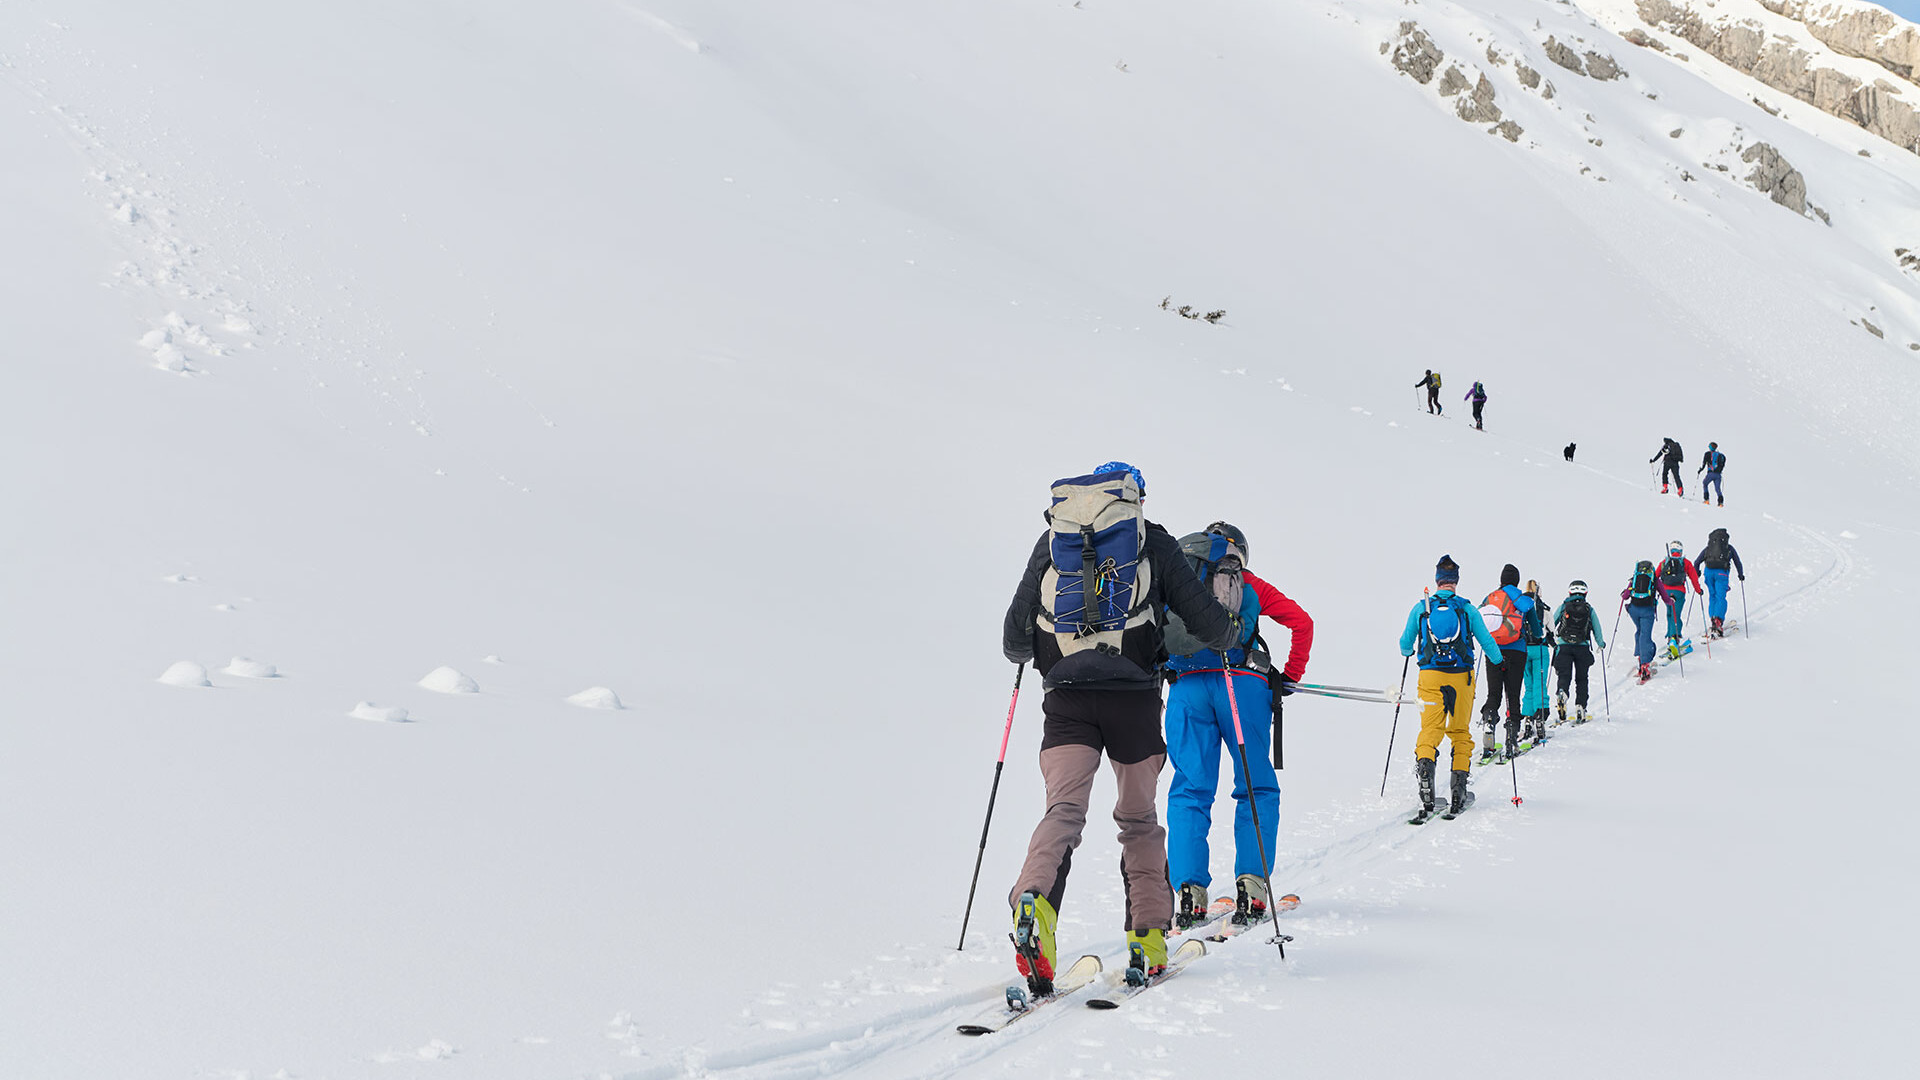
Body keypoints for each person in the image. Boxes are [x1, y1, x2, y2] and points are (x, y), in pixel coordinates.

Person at [1001, 461, 1236, 994]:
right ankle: (1149, 939)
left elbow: (1015, 639)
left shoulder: (1052, 542)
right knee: (1138, 820)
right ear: (1137, 500)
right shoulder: (1152, 542)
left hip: (1064, 699)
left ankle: (1033, 903)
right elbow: (1212, 627)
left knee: (1062, 811)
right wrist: (1225, 631)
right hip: (1132, 700)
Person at [1161, 523, 1313, 932]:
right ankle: (1252, 886)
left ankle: (1189, 894)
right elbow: (1302, 622)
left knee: (1190, 789)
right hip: (1241, 685)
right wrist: (1291, 675)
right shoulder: (1250, 584)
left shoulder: (1177, 578)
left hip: (1185, 689)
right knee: (1255, 787)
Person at [1398, 556, 1504, 819]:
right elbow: (1486, 641)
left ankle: (1425, 768)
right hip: (1461, 677)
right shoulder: (1466, 609)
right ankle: (1458, 791)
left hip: (1430, 676)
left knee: (1430, 729)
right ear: (1456, 581)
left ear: (1437, 580)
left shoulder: (1421, 608)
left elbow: (1404, 644)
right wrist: (1499, 661)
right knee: (1459, 731)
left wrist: (1411, 650)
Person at [1476, 563, 1531, 763]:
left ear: (1501, 579)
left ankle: (1489, 723)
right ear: (1516, 580)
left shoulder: (1490, 598)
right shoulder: (1522, 598)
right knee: (1513, 694)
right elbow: (1534, 625)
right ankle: (1511, 739)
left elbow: (1478, 619)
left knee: (1494, 693)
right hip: (1517, 651)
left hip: (1493, 650)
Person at [1551, 580, 1604, 723]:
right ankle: (1581, 706)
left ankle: (1562, 693)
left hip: (1564, 646)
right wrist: (1601, 643)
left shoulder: (1563, 606)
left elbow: (1552, 622)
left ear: (1570, 592)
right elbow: (1596, 628)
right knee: (1582, 678)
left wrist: (1549, 639)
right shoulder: (1589, 609)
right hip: (1582, 647)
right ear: (1585, 593)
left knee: (1564, 675)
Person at [1518, 579, 1554, 745]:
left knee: (1529, 685)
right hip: (1540, 649)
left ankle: (1527, 718)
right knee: (1540, 684)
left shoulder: (1520, 606)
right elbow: (1552, 631)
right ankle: (1540, 716)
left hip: (1523, 650)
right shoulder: (1544, 609)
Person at [1655, 539, 1704, 659]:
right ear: (1681, 551)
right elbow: (1693, 578)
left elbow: (1655, 576)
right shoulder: (1686, 562)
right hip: (1679, 592)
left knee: (1670, 614)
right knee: (1676, 614)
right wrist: (1698, 590)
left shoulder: (1664, 562)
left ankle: (1670, 638)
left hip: (1665, 592)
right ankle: (1674, 638)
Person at [1694, 527, 1746, 637]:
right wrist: (1740, 575)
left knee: (1712, 596)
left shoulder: (1708, 548)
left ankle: (1713, 619)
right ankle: (1718, 620)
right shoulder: (1729, 548)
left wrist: (1697, 572)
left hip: (1708, 573)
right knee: (1721, 597)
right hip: (1721, 574)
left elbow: (1697, 561)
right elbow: (1738, 562)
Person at [1622, 559, 1662, 682]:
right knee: (1645, 635)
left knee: (1639, 632)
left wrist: (1625, 592)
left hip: (1634, 610)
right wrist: (1671, 602)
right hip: (1647, 611)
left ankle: (1641, 659)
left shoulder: (1635, 578)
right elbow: (1664, 596)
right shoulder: (1654, 579)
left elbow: (1625, 596)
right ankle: (1645, 665)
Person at [1697, 442, 1728, 506]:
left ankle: (1706, 499)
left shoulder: (1707, 454)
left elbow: (1704, 464)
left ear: (1710, 447)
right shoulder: (1719, 455)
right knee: (1717, 489)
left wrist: (1700, 470)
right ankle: (1720, 503)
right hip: (1718, 475)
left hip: (1711, 473)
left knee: (1705, 483)